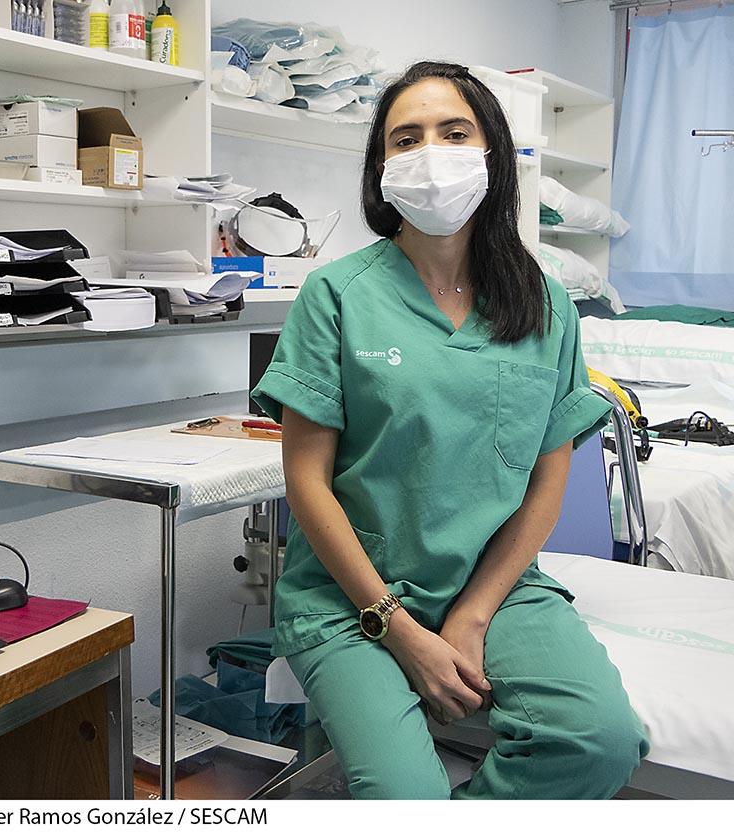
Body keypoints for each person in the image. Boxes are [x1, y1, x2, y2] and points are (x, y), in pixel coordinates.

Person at [251, 61, 649, 800]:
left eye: (454, 131)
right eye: (406, 138)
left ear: (491, 152)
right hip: (352, 597)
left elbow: (546, 476)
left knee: (599, 741)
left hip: (494, 587)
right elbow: (305, 482)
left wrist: (469, 615)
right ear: (381, 169)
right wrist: (397, 628)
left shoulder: (545, 304)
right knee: (407, 798)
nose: (430, 152)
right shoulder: (336, 294)